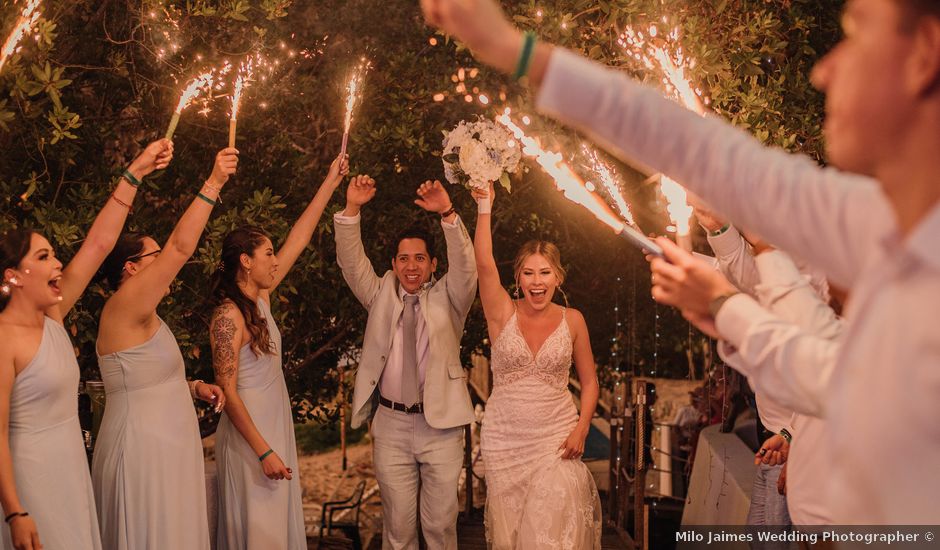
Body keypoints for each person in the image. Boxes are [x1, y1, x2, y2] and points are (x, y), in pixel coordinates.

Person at [419, 0, 940, 523]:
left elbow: (839, 380)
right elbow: (697, 146)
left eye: (856, 34)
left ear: (924, 54)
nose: (825, 70)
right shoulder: (873, 215)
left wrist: (723, 302)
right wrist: (515, 48)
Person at [0, 139, 172, 550]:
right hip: (29, 478)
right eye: (44, 257)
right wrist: (15, 511)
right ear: (14, 275)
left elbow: (99, 244)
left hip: (71, 470)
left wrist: (136, 172)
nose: (58, 263)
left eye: (55, 255)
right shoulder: (4, 339)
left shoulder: (54, 316)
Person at [92, 148, 236, 549]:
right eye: (153, 257)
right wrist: (214, 183)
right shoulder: (122, 307)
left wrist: (193, 387)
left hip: (169, 448)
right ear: (132, 269)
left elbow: (145, 378)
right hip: (143, 452)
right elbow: (180, 248)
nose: (165, 264)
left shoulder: (147, 315)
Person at [210, 154, 348, 550]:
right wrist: (264, 450)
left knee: (276, 529)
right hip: (250, 434)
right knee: (258, 531)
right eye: (267, 252)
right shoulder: (228, 316)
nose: (275, 259)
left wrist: (330, 181)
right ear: (245, 261)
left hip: (275, 419)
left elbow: (300, 237)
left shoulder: (262, 297)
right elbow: (228, 391)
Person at [334, 176, 476, 549]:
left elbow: (465, 266)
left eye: (419, 259)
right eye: (403, 259)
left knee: (440, 529)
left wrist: (447, 213)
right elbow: (351, 264)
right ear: (394, 264)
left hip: (441, 426)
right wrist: (352, 209)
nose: (411, 267)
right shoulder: (380, 292)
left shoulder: (451, 296)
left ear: (432, 263)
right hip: (392, 426)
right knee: (397, 533)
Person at [472, 183, 601, 548]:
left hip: (556, 440)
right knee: (511, 533)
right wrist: (485, 205)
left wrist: (581, 430)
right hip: (505, 441)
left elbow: (590, 383)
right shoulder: (501, 312)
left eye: (544, 273)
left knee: (552, 530)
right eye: (528, 273)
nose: (537, 281)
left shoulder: (573, 320)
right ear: (518, 278)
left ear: (557, 277)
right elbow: (483, 263)